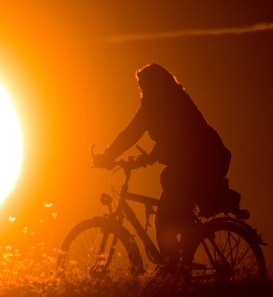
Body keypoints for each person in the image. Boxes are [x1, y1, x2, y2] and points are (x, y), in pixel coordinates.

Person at [92, 63, 232, 272]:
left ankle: (175, 268)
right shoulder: (155, 106)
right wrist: (110, 156)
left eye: (146, 85)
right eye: (141, 85)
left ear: (158, 84)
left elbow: (178, 138)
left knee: (164, 221)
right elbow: (131, 133)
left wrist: (141, 158)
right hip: (194, 163)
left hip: (204, 161)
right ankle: (180, 261)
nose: (144, 90)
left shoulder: (172, 103)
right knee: (171, 188)